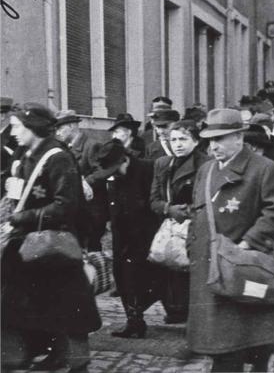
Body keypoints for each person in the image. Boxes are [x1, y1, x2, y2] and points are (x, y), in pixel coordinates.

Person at [185, 109, 274, 372]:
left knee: (252, 341)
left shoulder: (264, 169)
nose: (214, 146)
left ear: (239, 137)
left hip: (243, 267)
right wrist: (191, 244)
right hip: (209, 267)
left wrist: (246, 244)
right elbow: (197, 210)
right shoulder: (207, 170)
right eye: (210, 140)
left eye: (220, 139)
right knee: (221, 342)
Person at [1, 103, 101, 371]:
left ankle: (77, 360)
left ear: (33, 127)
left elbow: (66, 205)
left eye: (17, 127)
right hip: (29, 244)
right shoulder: (25, 154)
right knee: (41, 302)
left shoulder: (58, 157)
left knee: (68, 305)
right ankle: (46, 354)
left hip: (54, 244)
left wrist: (22, 218)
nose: (13, 133)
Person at [96, 139, 162, 338]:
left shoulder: (147, 169)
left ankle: (140, 315)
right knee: (123, 277)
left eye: (116, 169)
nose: (114, 174)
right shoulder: (113, 175)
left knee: (145, 279)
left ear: (125, 159)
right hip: (121, 234)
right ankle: (134, 321)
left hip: (145, 235)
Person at [149, 120, 209, 324]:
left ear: (196, 140)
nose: (178, 144)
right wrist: (168, 209)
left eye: (183, 139)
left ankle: (195, 317)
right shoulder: (164, 164)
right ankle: (176, 310)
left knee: (193, 273)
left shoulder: (206, 164)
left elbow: (208, 198)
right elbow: (153, 199)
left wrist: (188, 211)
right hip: (172, 225)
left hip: (197, 226)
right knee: (170, 268)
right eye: (173, 140)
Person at [54, 110, 106, 251]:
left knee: (92, 250)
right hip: (77, 210)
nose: (57, 133)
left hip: (92, 211)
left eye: (60, 128)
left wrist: (85, 182)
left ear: (71, 126)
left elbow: (102, 172)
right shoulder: (64, 149)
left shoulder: (92, 146)